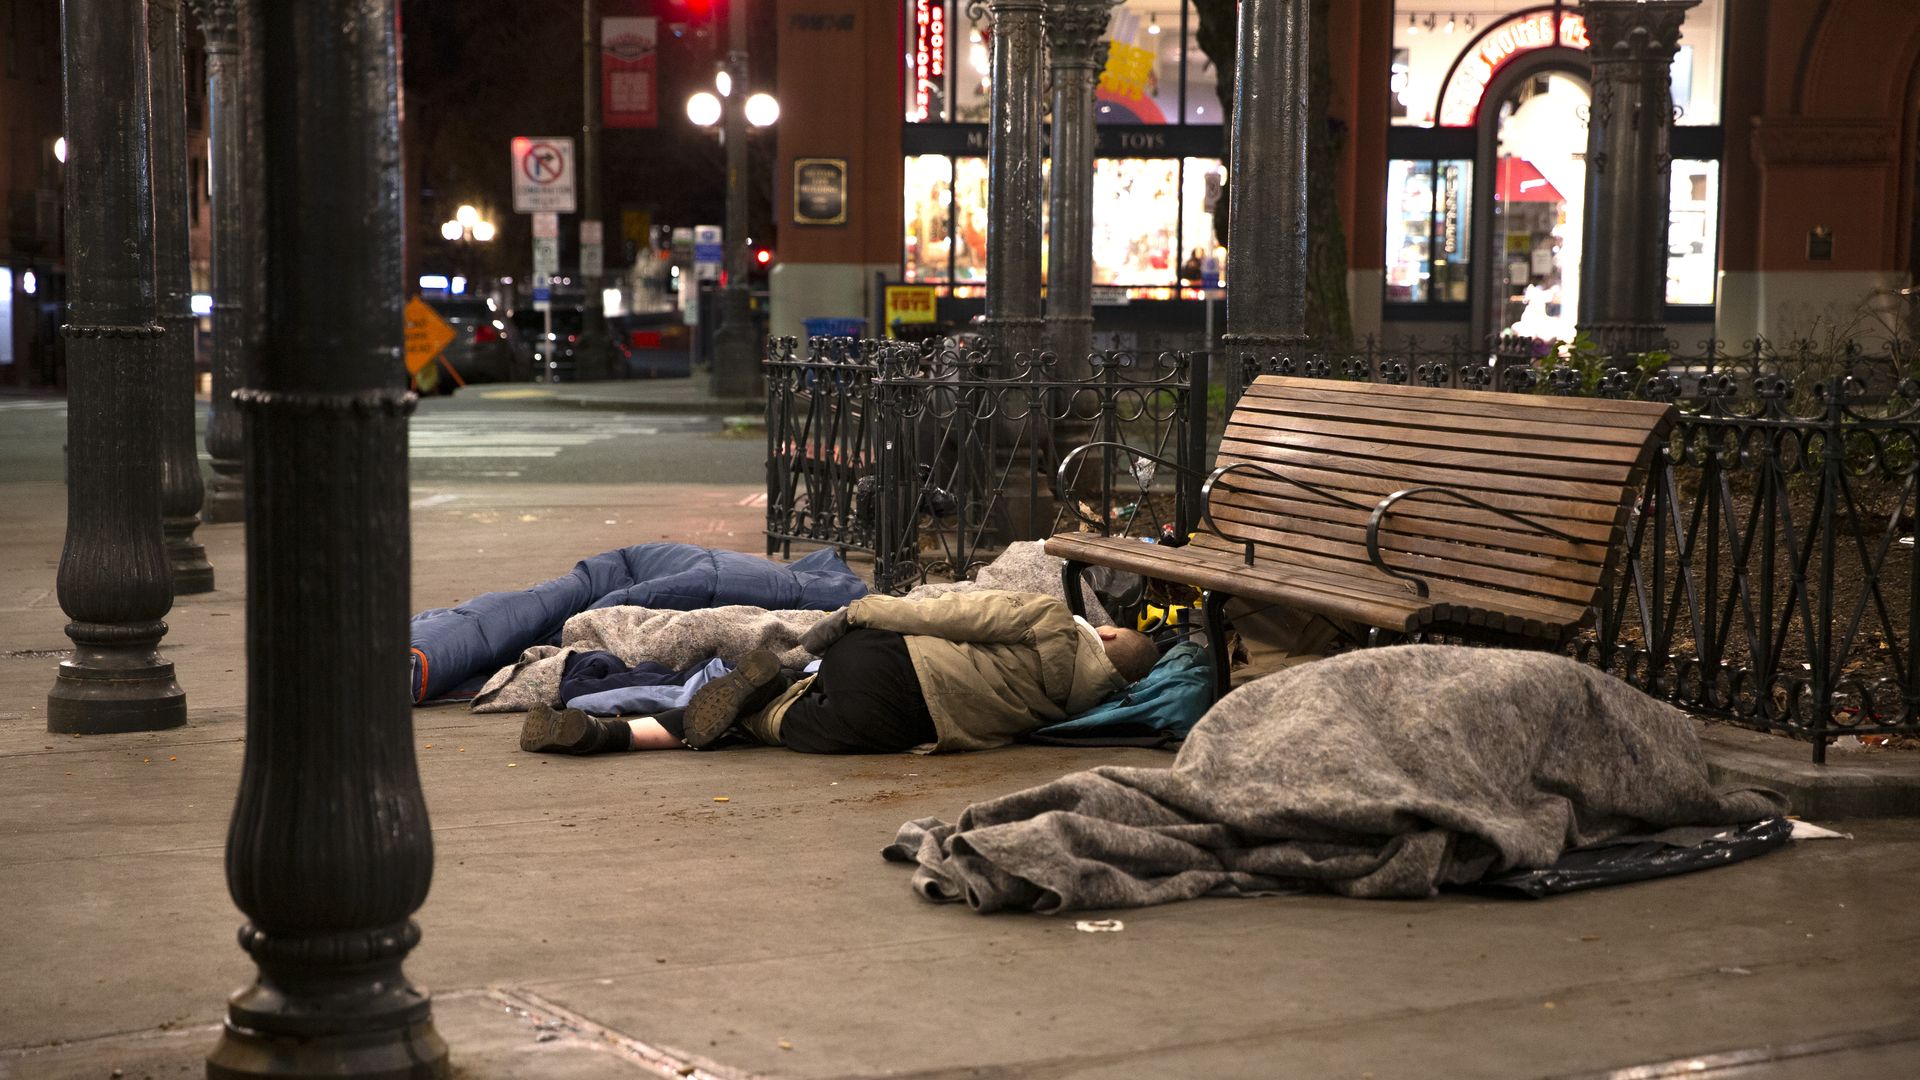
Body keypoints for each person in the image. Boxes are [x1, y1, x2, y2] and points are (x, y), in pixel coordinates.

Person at [518, 590, 1160, 756]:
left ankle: (765, 685)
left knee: (754, 694)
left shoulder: (1051, 616)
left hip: (890, 661)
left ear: (1102, 633)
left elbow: (953, 614)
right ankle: (613, 738)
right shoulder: (1077, 710)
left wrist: (855, 614)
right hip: (897, 724)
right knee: (759, 726)